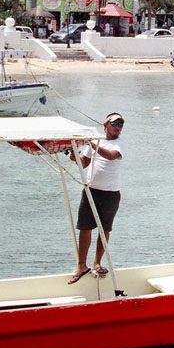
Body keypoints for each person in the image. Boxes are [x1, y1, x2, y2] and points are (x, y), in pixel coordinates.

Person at [67, 112, 127, 284]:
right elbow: (84, 162)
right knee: (85, 228)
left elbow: (110, 156)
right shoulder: (94, 141)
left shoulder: (121, 143)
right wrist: (74, 155)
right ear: (105, 124)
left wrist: (90, 143)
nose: (118, 127)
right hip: (91, 190)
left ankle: (97, 262)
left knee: (104, 229)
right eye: (115, 123)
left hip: (111, 193)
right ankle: (81, 266)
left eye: (121, 124)